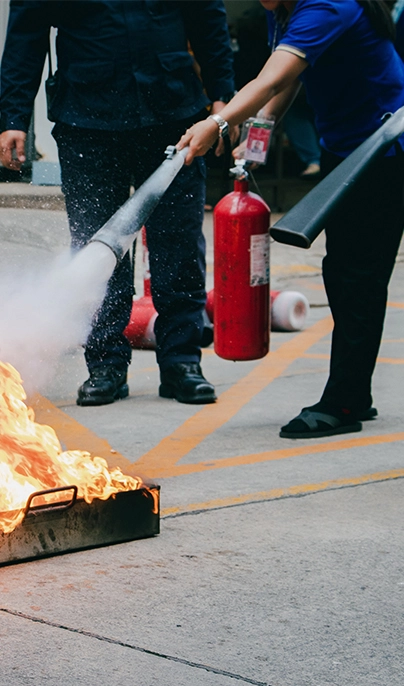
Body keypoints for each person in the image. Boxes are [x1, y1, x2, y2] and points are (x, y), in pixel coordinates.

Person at [177, 0, 404, 438]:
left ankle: (344, 401)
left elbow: (272, 78)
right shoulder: (282, 8)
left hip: (384, 147)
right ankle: (355, 392)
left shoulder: (327, 5)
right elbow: (288, 77)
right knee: (345, 273)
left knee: (357, 275)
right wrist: (258, 139)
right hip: (349, 147)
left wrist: (218, 124)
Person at [0, 0, 236, 406]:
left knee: (178, 245)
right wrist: (13, 117)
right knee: (97, 250)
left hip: (173, 111)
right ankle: (106, 363)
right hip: (87, 118)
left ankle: (181, 361)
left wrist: (222, 96)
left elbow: (207, 16)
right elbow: (26, 31)